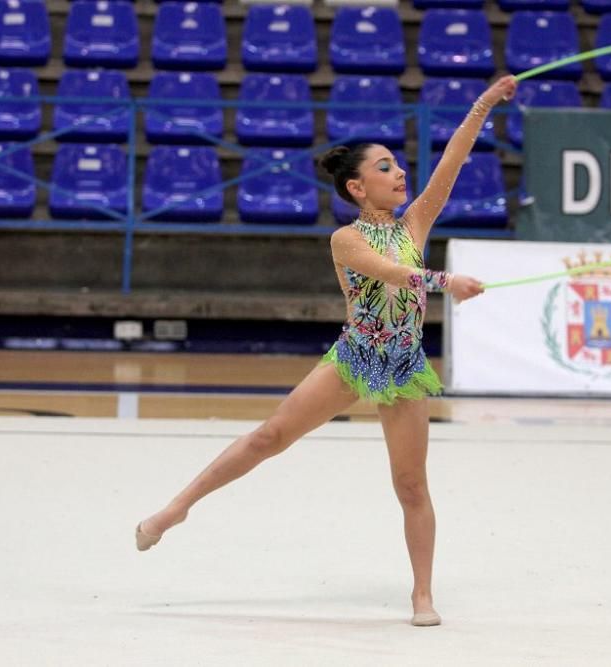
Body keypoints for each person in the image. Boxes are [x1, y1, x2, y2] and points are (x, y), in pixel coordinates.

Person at [135, 75, 518, 627]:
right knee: (270, 436)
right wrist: (444, 279)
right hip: (356, 356)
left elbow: (452, 165)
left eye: (397, 163)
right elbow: (389, 272)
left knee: (411, 484)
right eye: (384, 166)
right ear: (357, 188)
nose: (399, 172)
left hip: (404, 365)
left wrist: (482, 104)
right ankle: (177, 507)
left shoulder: (414, 222)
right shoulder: (347, 239)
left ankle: (422, 594)